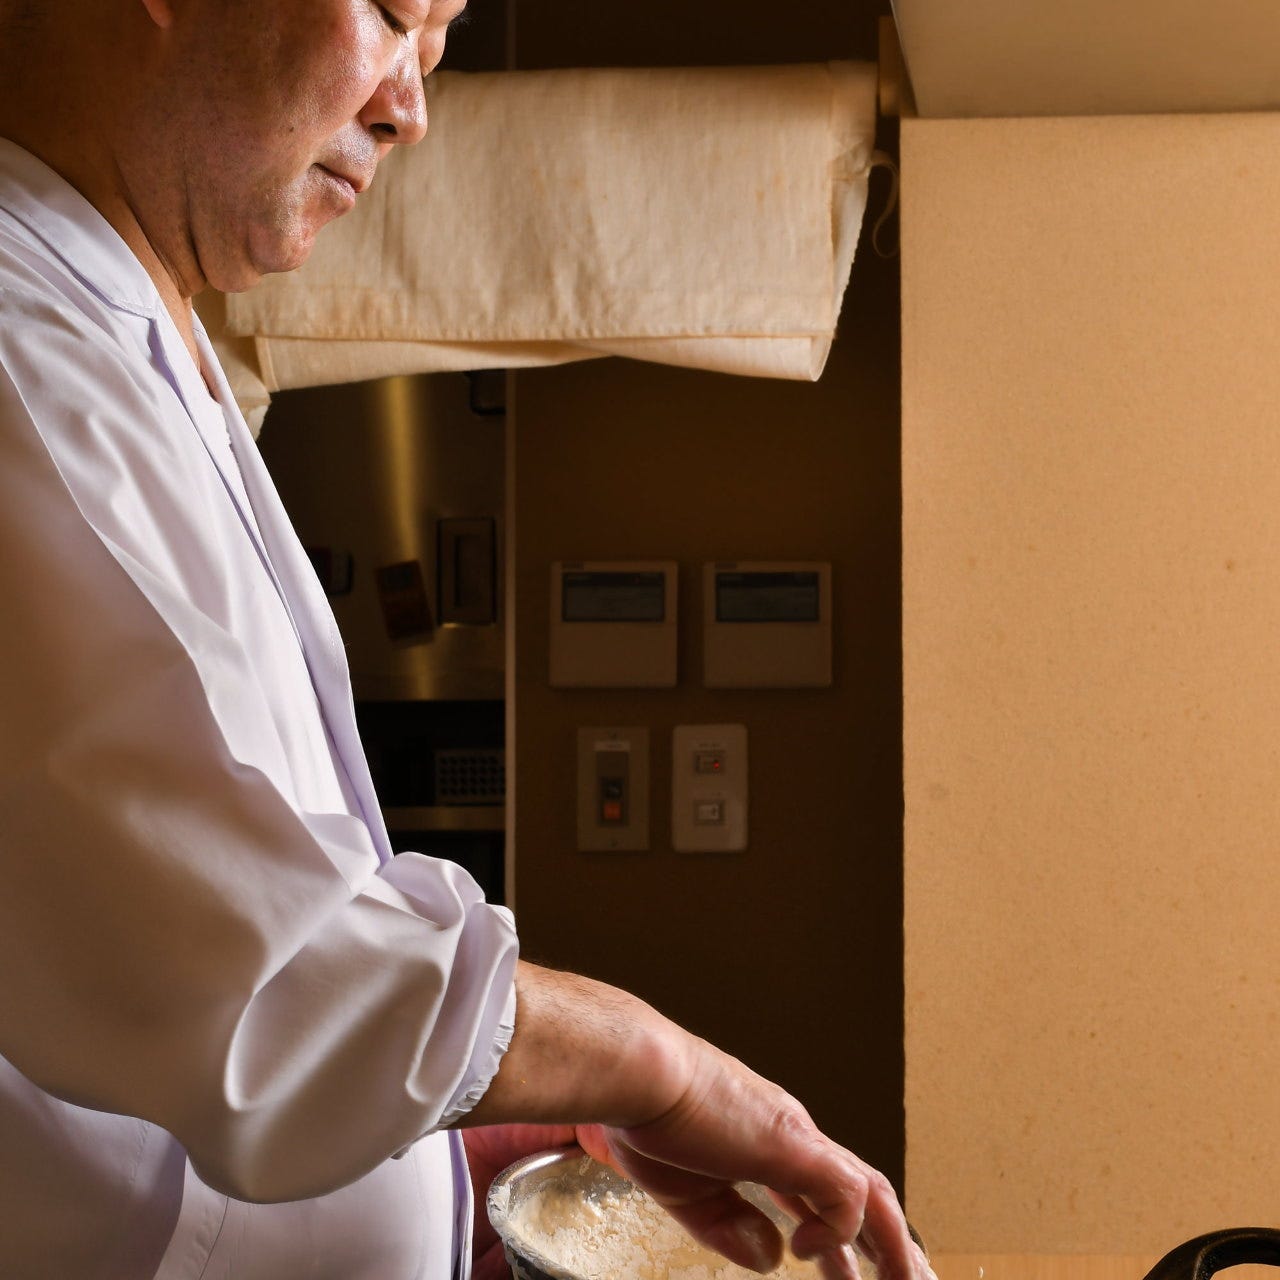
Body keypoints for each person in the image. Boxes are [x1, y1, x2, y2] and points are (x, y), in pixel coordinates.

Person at [0, 3, 932, 1279]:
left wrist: (441, 1151)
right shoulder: (20, 349)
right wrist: (653, 1065)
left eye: (435, 46)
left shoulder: (122, 324)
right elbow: (257, 987)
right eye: (393, 14)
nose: (410, 108)